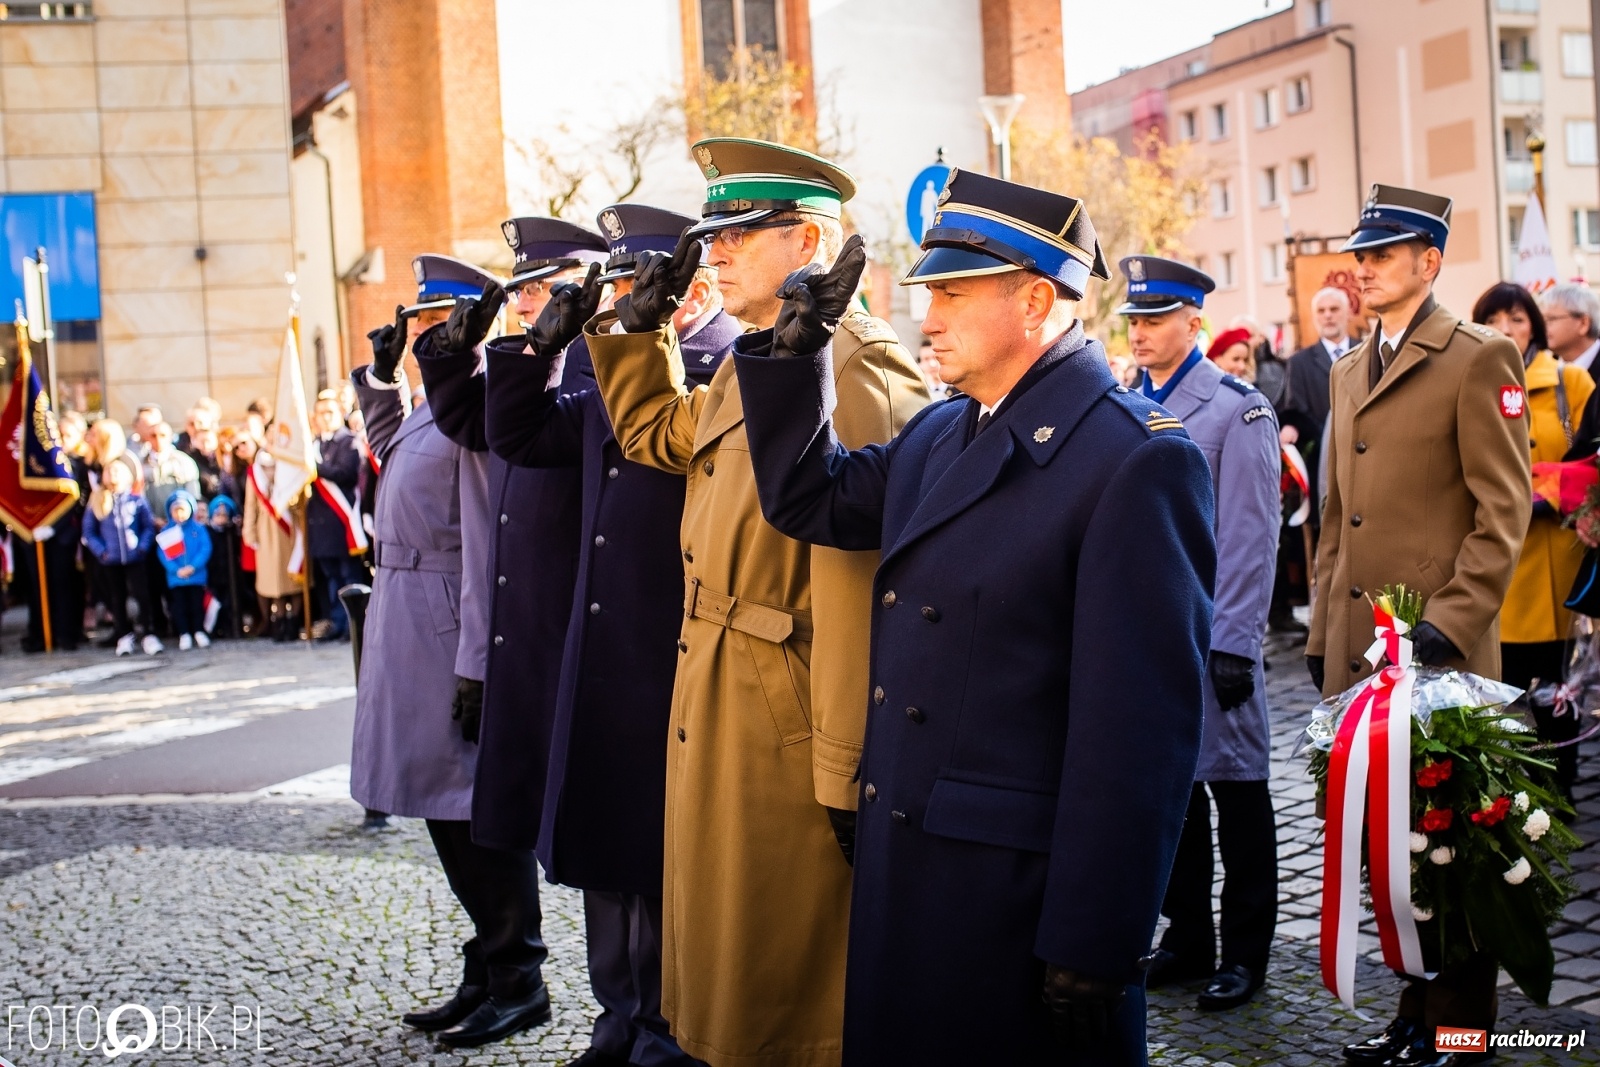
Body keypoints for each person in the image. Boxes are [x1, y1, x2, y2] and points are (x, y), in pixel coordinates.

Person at [731, 168, 1214, 1065]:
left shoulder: (1132, 461)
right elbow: (810, 498)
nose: (929, 315)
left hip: (1013, 902)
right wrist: (791, 353)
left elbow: (1138, 740)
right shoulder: (941, 431)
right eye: (928, 292)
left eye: (952, 292)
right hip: (910, 866)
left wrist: (1094, 937)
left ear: (1036, 300)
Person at [581, 138, 928, 1067]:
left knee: (789, 998)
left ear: (810, 241)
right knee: (721, 980)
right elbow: (660, 434)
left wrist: (844, 766)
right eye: (714, 233)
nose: (716, 252)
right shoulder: (757, 357)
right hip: (720, 690)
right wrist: (634, 334)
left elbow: (865, 584)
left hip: (791, 715)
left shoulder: (854, 364)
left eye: (739, 233)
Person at [485, 203, 736, 1067]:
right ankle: (618, 1021)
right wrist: (536, 347)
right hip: (603, 644)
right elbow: (518, 435)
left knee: (661, 855)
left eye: (635, 283)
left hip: (669, 641)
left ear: (690, 285)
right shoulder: (612, 361)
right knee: (604, 849)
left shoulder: (733, 362)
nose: (621, 298)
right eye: (622, 283)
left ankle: (669, 1031)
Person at [1308, 185, 1530, 1067]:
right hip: (1362, 661)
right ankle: (1414, 1016)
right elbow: (1335, 518)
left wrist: (1446, 623)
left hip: (1439, 660)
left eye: (1382, 254)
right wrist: (1328, 633)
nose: (1362, 268)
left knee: (1448, 855)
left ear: (1429, 263)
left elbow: (1502, 511)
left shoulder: (1478, 357)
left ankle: (1460, 1034)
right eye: (1359, 254)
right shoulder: (1345, 366)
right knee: (1388, 851)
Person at [414, 230, 606, 1048]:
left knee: (599, 829)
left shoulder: (598, 367)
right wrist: (436, 355)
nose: (527, 304)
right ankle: (515, 972)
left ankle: (577, 991)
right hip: (520, 626)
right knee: (513, 812)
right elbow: (468, 428)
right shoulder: (529, 367)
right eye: (521, 291)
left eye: (542, 289)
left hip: (575, 625)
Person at [353, 259, 550, 1049]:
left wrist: (478, 661)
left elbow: (482, 544)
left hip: (442, 623)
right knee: (437, 807)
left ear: (472, 321)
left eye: (440, 318)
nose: (426, 328)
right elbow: (387, 454)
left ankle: (519, 975)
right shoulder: (437, 405)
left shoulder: (476, 414)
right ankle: (484, 962)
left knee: (470, 809)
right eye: (421, 317)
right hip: (405, 614)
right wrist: (379, 376)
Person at [1120, 257, 1282, 1013]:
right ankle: (1190, 939)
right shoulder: (1122, 401)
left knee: (1240, 798)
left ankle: (1245, 953)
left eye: (1156, 318)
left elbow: (1252, 534)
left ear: (1195, 323)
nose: (1142, 332)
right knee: (1174, 802)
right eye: (1134, 320)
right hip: (1153, 641)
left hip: (1215, 638)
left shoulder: (1234, 409)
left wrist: (1237, 642)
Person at [1473, 282, 1592, 800]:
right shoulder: (1470, 381)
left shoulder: (1572, 382)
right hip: (1497, 560)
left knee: (1557, 689)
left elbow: (1589, 458)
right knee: (1505, 689)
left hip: (1554, 557)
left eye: (1517, 319)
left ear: (1534, 326)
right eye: (1495, 320)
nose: (1506, 330)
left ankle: (1558, 788)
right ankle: (1512, 795)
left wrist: (1552, 489)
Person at [82, 459, 160, 656]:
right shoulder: (98, 501)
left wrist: (142, 547)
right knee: (117, 598)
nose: (114, 475)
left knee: (143, 595)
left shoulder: (136, 500)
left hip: (135, 557)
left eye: (118, 471)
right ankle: (124, 634)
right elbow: (89, 531)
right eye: (110, 471)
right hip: (111, 559)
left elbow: (148, 527)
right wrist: (102, 551)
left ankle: (148, 632)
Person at [306, 390, 365, 642]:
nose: (325, 418)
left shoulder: (348, 441)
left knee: (349, 576)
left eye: (329, 412)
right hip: (320, 522)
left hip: (342, 522)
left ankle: (354, 625)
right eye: (320, 413)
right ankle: (338, 623)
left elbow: (345, 474)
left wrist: (314, 466)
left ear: (340, 414)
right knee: (331, 578)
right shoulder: (314, 445)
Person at [241, 439, 302, 642]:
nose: (269, 470)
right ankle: (279, 621)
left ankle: (293, 622)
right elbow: (250, 506)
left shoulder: (288, 471)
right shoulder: (254, 476)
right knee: (273, 581)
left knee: (293, 579)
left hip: (289, 531)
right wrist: (250, 534)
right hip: (266, 533)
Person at [158, 490, 213, 650]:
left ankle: (198, 630)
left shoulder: (199, 529)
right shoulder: (167, 532)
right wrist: (176, 570)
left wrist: (193, 567)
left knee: (196, 605)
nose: (180, 514)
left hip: (196, 577)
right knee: (179, 607)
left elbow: (205, 548)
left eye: (183, 510)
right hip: (177, 579)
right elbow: (163, 554)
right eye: (176, 511)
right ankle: (184, 633)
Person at [1543, 282, 1600, 375]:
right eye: (1541, 320)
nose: (1543, 326)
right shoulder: (1544, 370)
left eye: (1551, 319)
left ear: (1583, 324)